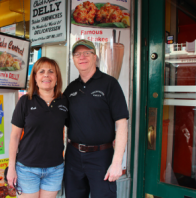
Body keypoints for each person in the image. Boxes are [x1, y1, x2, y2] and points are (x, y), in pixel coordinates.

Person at [64, 39, 129, 198]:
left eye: (87, 53)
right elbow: (59, 122)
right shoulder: (70, 89)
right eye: (78, 54)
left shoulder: (110, 84)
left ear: (95, 57)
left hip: (102, 157)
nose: (82, 57)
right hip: (73, 156)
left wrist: (116, 162)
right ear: (73, 60)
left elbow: (122, 125)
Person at [7, 57, 68, 198]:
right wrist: (11, 167)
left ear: (57, 77)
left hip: (55, 169)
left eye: (51, 71)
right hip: (27, 169)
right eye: (41, 71)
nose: (46, 75)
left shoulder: (64, 101)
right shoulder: (25, 101)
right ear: (35, 77)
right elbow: (14, 137)